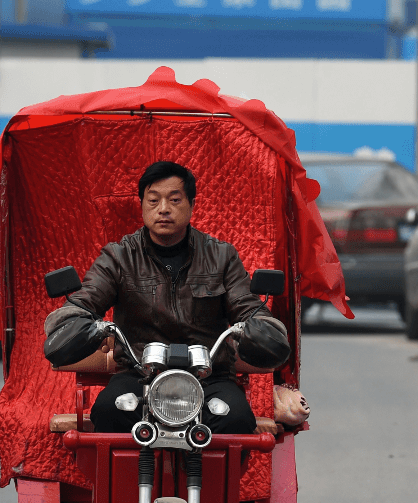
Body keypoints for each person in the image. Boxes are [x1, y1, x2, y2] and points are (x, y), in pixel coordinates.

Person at [43, 160, 290, 434]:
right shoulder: (119, 256)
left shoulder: (221, 257)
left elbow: (248, 308)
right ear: (141, 206)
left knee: (236, 419)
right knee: (108, 412)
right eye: (153, 200)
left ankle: (208, 478)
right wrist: (72, 322)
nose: (163, 209)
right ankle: (129, 479)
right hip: (139, 375)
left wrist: (263, 328)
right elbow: (86, 300)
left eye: (174, 199)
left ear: (192, 205)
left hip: (209, 377)